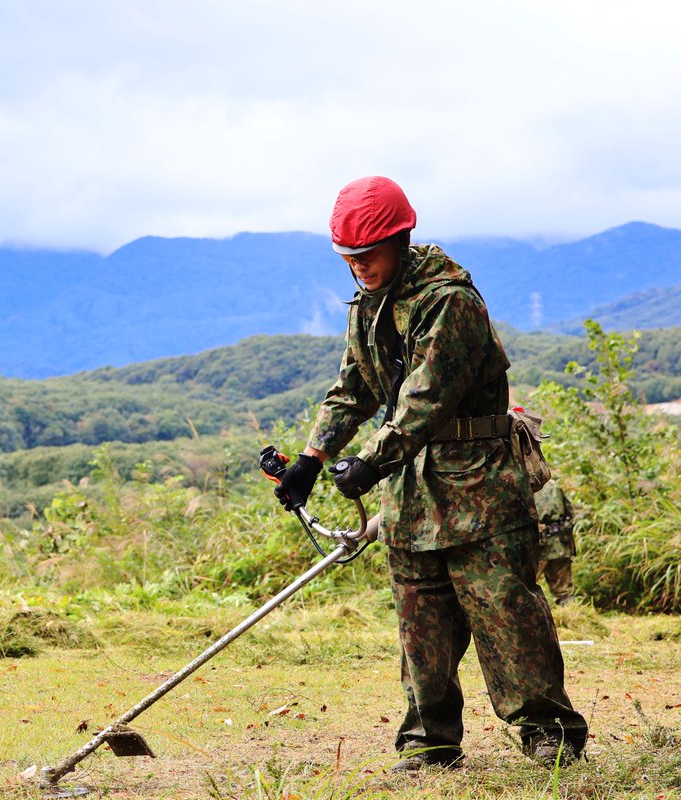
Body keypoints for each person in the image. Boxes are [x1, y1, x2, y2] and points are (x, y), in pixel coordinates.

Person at [274, 176, 588, 771]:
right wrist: (310, 461)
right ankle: (430, 742)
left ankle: (549, 730)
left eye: (368, 255)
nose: (360, 267)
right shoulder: (370, 307)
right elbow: (352, 391)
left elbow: (424, 399)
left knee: (504, 610)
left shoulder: (451, 302)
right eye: (350, 259)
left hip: (479, 487)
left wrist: (370, 462)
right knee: (422, 624)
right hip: (411, 495)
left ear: (401, 238)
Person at [534, 478, 576, 605]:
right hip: (559, 543)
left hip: (537, 545)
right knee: (564, 592)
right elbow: (570, 513)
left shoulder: (520, 485)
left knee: (524, 588)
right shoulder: (554, 486)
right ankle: (571, 617)